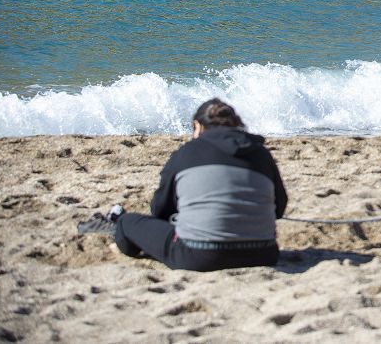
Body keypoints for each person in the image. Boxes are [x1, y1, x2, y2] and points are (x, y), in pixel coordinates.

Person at [113, 98, 288, 272]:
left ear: (197, 126)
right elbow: (279, 208)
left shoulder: (186, 153)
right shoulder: (260, 153)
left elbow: (160, 211)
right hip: (263, 253)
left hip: (199, 255)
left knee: (126, 222)